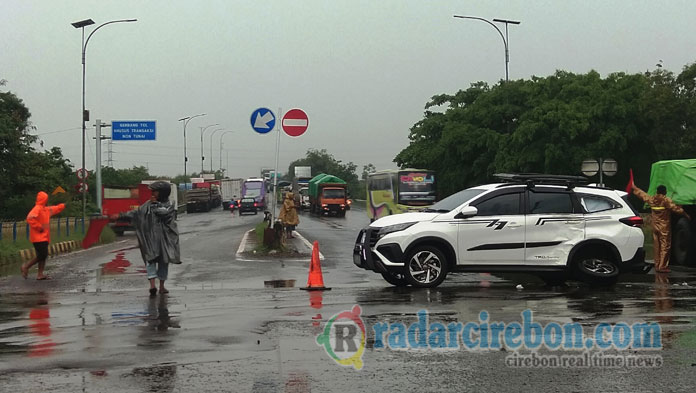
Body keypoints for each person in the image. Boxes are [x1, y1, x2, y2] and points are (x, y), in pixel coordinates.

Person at [113, 181, 180, 296]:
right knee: (150, 260)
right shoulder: (147, 205)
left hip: (165, 239)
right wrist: (121, 215)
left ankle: (162, 286)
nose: (153, 193)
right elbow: (137, 213)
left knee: (164, 262)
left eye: (155, 191)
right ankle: (152, 285)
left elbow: (163, 213)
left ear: (163, 193)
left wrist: (155, 205)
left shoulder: (169, 205)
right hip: (150, 239)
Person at [632, 183, 691, 273]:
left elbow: (643, 195)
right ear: (665, 192)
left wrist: (635, 188)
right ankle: (662, 266)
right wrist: (685, 214)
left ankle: (657, 265)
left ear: (657, 191)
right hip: (664, 227)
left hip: (655, 226)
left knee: (657, 246)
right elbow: (676, 209)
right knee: (665, 246)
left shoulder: (652, 199)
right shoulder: (666, 200)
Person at [21, 191, 66, 280]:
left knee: (43, 256)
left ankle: (40, 274)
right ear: (44, 199)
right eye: (46, 199)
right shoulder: (37, 208)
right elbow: (30, 218)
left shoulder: (46, 209)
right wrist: (39, 227)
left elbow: (56, 208)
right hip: (38, 237)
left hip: (44, 237)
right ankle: (26, 266)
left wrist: (63, 206)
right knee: (42, 255)